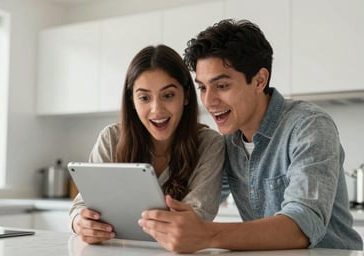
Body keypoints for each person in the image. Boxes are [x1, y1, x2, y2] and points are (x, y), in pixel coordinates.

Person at [138, 19, 363, 252]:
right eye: (203, 87)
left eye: (222, 86)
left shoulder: (308, 125)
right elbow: (194, 202)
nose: (208, 101)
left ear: (259, 80)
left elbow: (302, 226)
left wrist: (208, 235)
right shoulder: (227, 142)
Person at [69, 44, 225, 244]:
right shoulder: (111, 139)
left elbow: (197, 217)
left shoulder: (209, 144)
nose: (156, 110)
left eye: (168, 95)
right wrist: (80, 223)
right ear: (132, 101)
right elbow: (81, 205)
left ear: (185, 96)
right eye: (144, 98)